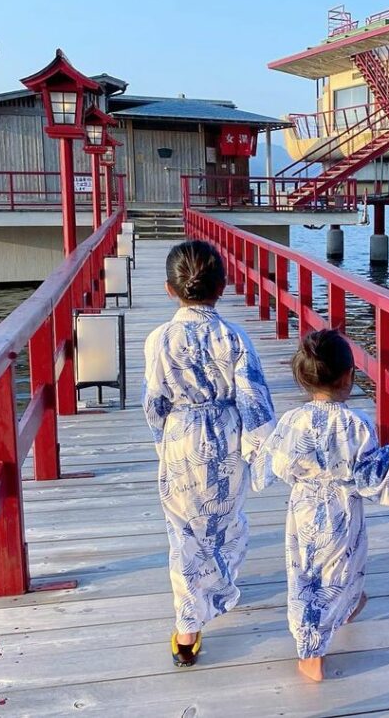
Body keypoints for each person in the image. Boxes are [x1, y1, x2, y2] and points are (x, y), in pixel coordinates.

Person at [255, 328, 389, 681]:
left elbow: (278, 464)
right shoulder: (356, 422)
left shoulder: (292, 420)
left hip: (303, 507)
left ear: (302, 379)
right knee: (340, 568)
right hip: (341, 511)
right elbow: (368, 475)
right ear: (349, 376)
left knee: (304, 574)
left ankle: (333, 618)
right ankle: (313, 651)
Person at [142, 240, 276, 668]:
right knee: (226, 522)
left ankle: (188, 629)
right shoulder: (233, 337)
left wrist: (162, 437)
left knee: (181, 531)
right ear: (222, 287)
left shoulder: (158, 339)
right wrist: (261, 453)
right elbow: (254, 400)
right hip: (225, 434)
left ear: (169, 289)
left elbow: (154, 401)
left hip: (181, 434)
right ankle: (218, 589)